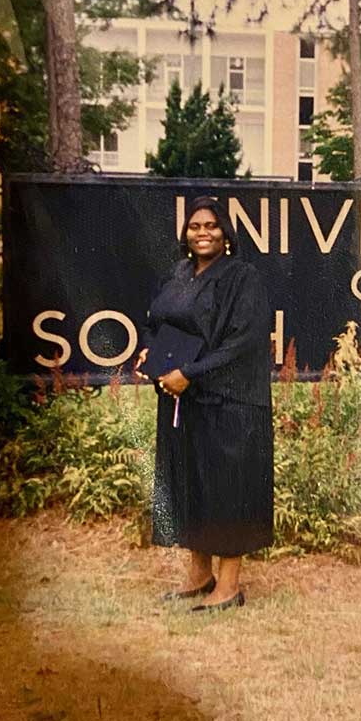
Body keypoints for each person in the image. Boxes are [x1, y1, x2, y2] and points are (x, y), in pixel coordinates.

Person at [135, 196, 273, 611]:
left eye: (211, 225)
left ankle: (229, 587)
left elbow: (242, 342)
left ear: (225, 233)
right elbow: (156, 321)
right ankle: (199, 575)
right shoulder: (179, 274)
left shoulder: (241, 278)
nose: (202, 232)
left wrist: (189, 374)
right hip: (185, 401)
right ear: (185, 234)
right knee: (191, 486)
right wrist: (150, 351)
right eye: (195, 226)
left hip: (230, 401)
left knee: (228, 490)